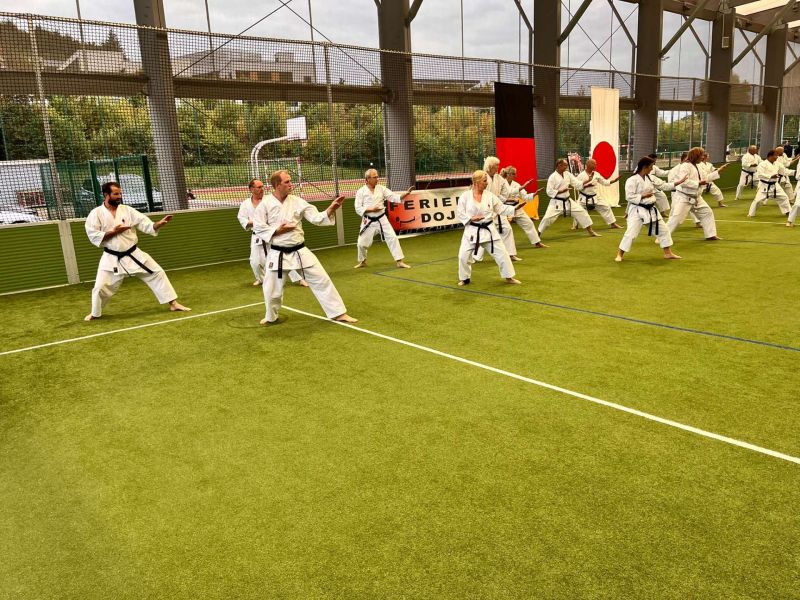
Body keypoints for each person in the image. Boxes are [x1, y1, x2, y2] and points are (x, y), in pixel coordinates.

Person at [253, 170, 356, 325]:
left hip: (299, 251)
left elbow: (316, 217)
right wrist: (278, 230)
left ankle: (338, 313)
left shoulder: (297, 201)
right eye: (287, 182)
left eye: (290, 181)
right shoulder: (265, 204)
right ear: (277, 185)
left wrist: (330, 209)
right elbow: (258, 227)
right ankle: (271, 316)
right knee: (272, 290)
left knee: (322, 280)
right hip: (278, 253)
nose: (291, 184)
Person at [84, 181, 191, 321]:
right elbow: (93, 235)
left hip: (133, 253)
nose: (119, 196)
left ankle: (173, 304)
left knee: (157, 273)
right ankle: (95, 313)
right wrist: (114, 232)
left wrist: (157, 225)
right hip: (111, 257)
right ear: (106, 195)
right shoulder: (96, 214)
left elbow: (144, 223)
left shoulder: (127, 210)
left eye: (120, 193)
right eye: (116, 194)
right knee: (100, 287)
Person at [238, 178, 307, 287]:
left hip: (274, 234)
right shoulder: (245, 204)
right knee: (255, 262)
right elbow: (243, 220)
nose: (262, 189)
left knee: (284, 258)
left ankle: (299, 279)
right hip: (257, 236)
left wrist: (259, 222)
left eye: (262, 186)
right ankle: (261, 279)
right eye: (259, 187)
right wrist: (259, 222)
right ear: (251, 189)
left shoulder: (269, 200)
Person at [456, 170, 520, 286]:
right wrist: (471, 218)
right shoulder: (465, 196)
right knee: (463, 256)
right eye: (484, 181)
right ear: (476, 182)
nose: (487, 183)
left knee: (502, 254)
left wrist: (514, 209)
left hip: (489, 230)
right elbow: (460, 213)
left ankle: (509, 277)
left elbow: (501, 208)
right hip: (472, 231)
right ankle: (465, 278)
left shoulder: (490, 196)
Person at [615, 157, 684, 262]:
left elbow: (664, 185)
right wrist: (643, 195)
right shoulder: (632, 180)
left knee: (664, 230)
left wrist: (678, 182)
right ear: (644, 167)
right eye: (651, 166)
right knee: (631, 234)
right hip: (637, 210)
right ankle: (620, 254)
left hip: (651, 209)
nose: (652, 169)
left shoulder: (651, 178)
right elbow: (629, 197)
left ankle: (668, 253)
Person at [353, 169, 412, 269]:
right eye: (374, 177)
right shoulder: (361, 191)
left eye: (377, 176)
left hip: (382, 219)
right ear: (367, 179)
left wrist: (405, 194)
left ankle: (399, 261)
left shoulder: (381, 189)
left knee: (392, 238)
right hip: (368, 221)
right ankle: (363, 261)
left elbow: (393, 197)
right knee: (361, 244)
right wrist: (372, 209)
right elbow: (358, 208)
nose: (377, 179)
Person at [667, 147, 727, 240]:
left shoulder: (698, 166)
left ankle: (710, 235)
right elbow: (683, 182)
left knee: (707, 212)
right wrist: (698, 183)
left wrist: (718, 171)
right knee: (676, 219)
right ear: (696, 156)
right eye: (701, 155)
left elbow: (705, 178)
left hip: (696, 197)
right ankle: (662, 236)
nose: (703, 157)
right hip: (684, 197)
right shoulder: (685, 166)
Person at [538, 159, 601, 238]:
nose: (567, 167)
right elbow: (549, 191)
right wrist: (561, 191)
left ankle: (590, 231)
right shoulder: (552, 177)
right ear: (559, 165)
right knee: (547, 218)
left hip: (568, 201)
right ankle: (537, 235)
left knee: (582, 212)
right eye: (565, 165)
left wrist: (588, 180)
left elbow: (576, 183)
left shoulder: (567, 174)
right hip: (556, 202)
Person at [501, 165, 548, 253]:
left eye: (515, 174)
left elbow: (525, 196)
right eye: (513, 174)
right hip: (505, 209)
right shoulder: (501, 183)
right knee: (505, 229)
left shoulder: (516, 184)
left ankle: (537, 243)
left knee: (529, 223)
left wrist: (535, 193)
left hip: (517, 208)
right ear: (508, 174)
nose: (515, 176)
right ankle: (504, 248)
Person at [573, 158, 622, 229]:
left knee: (606, 207)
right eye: (594, 164)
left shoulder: (596, 174)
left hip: (595, 197)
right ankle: (575, 225)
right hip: (583, 198)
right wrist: (586, 186)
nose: (596, 165)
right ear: (588, 165)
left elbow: (604, 182)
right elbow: (577, 187)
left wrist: (614, 181)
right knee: (578, 210)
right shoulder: (581, 175)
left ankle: (613, 224)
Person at [748, 150, 792, 218]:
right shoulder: (762, 164)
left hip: (775, 185)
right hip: (764, 185)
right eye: (775, 155)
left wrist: (794, 172)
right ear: (770, 156)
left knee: (784, 197)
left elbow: (784, 171)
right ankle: (751, 214)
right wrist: (770, 176)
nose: (777, 157)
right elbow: (759, 175)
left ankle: (788, 211)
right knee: (757, 201)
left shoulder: (777, 163)